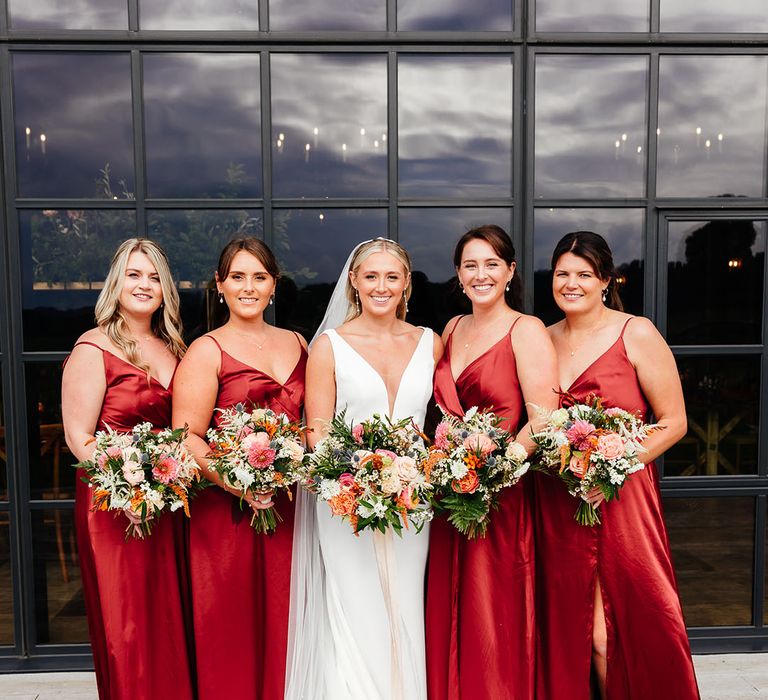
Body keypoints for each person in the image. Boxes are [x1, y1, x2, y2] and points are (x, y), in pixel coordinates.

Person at [534, 231, 699, 699]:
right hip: (557, 504)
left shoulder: (636, 331)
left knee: (615, 634)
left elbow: (674, 422)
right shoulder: (541, 339)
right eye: (563, 273)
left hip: (622, 502)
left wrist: (610, 465)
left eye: (583, 274)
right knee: (574, 633)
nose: (571, 283)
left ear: (605, 279)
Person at [286, 238, 442, 700]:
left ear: (406, 284)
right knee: (357, 608)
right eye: (371, 276)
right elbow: (316, 431)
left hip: (414, 501)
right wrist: (356, 482)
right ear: (353, 281)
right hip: (346, 500)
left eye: (392, 277)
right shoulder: (330, 346)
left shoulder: (429, 343)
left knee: (404, 605)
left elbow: (437, 423)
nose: (381, 286)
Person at [425, 224, 559, 700]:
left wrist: (497, 470)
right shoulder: (453, 328)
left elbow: (545, 417)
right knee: (450, 606)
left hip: (501, 495)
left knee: (493, 609)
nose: (480, 275)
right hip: (451, 493)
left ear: (510, 272)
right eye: (470, 265)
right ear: (459, 275)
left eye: (491, 265)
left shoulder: (526, 329)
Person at [172, 237, 307, 700]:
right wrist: (237, 482)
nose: (248, 287)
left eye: (259, 277)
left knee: (291, 622)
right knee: (230, 627)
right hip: (227, 516)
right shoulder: (206, 350)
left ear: (274, 285)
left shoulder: (299, 342)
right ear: (219, 284)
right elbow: (186, 436)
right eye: (237, 277)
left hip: (292, 511)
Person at [62, 238, 193, 700]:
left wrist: (162, 482)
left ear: (165, 290)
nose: (144, 285)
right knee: (127, 625)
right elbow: (79, 437)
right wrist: (129, 489)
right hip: (114, 508)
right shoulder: (94, 346)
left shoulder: (174, 348)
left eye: (154, 277)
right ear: (116, 283)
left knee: (166, 618)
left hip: (167, 502)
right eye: (134, 274)